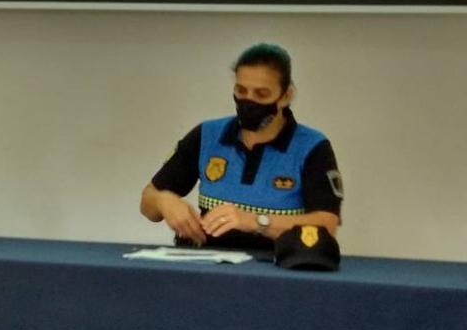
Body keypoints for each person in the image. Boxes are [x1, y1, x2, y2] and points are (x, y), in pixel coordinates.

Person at [139, 43, 342, 251]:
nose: (249, 101)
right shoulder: (207, 135)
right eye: (241, 90)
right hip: (205, 260)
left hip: (278, 263)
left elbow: (326, 225)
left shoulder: (312, 147)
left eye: (261, 94)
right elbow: (147, 203)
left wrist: (256, 221)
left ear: (286, 96)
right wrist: (164, 201)